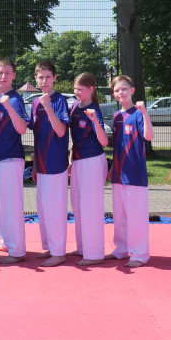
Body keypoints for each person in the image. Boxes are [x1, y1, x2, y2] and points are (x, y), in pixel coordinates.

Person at [108, 74, 154, 267]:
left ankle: (140, 253)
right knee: (119, 216)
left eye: (124, 89)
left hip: (135, 173)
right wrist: (112, 167)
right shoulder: (116, 116)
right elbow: (117, 145)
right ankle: (121, 249)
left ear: (132, 90)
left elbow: (149, 137)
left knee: (136, 216)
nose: (121, 93)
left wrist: (145, 113)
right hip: (118, 173)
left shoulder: (138, 113)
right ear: (113, 94)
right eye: (117, 90)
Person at [0, 58, 30, 264]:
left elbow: (22, 129)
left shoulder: (14, 100)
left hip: (11, 158)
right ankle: (5, 241)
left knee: (10, 207)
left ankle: (17, 251)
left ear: (14, 76)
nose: (3, 76)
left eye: (7, 73)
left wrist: (9, 107)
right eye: (0, 72)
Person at [30, 61, 70, 267]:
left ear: (54, 78)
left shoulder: (59, 100)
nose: (44, 81)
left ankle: (59, 252)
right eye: (40, 77)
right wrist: (35, 164)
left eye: (48, 77)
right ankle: (50, 247)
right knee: (43, 209)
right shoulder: (35, 103)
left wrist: (48, 106)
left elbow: (61, 131)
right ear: (35, 79)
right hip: (42, 163)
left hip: (56, 163)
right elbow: (36, 135)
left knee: (55, 209)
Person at [68, 72, 109, 266]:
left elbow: (104, 141)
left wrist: (94, 122)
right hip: (77, 161)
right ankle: (83, 247)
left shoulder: (94, 110)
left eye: (80, 89)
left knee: (91, 208)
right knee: (77, 206)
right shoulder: (74, 107)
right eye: (75, 88)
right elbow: (74, 138)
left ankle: (95, 253)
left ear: (91, 89)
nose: (76, 92)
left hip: (92, 161)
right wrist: (71, 159)